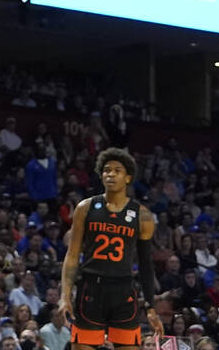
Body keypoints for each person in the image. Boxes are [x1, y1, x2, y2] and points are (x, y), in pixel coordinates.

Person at [59, 147, 164, 350]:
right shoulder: (85, 208)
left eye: (117, 170)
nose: (111, 174)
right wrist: (65, 296)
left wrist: (150, 306)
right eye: (107, 170)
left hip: (123, 291)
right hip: (91, 288)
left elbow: (145, 264)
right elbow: (72, 256)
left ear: (128, 178)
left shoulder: (142, 215)